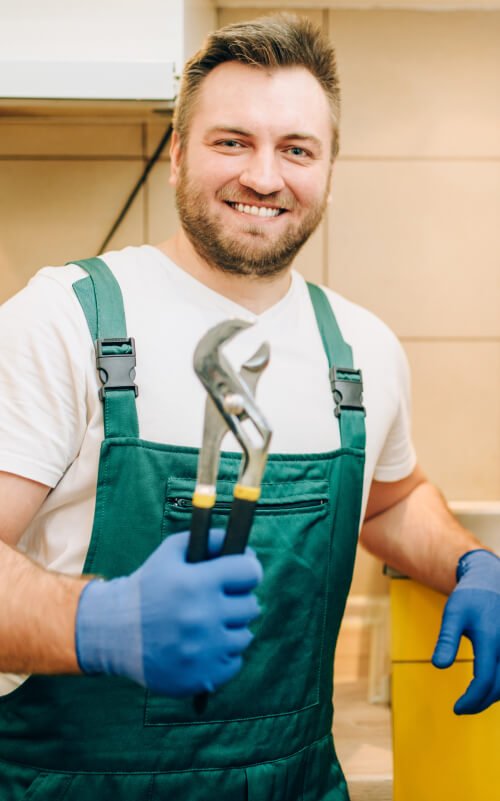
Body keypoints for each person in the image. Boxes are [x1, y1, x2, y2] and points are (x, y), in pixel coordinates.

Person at [0, 12, 498, 801]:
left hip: (295, 782)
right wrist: (101, 621)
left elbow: (392, 500)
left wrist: (474, 563)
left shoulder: (361, 350)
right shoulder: (64, 321)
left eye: (296, 149)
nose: (265, 177)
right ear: (177, 154)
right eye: (232, 141)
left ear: (328, 169)